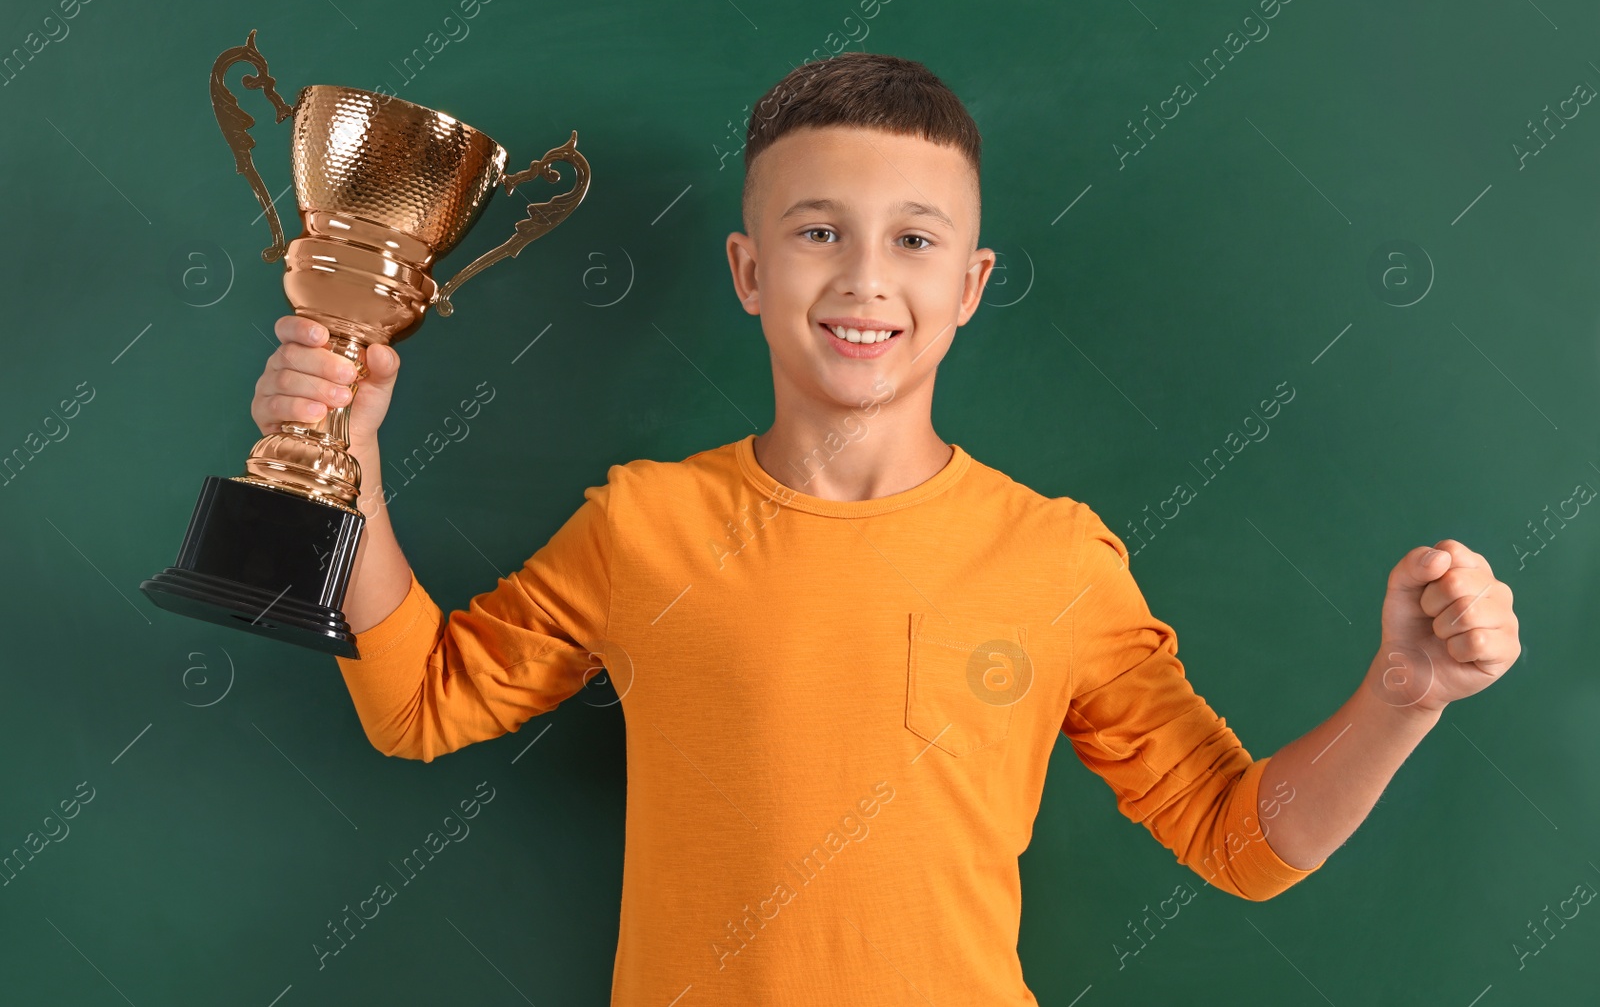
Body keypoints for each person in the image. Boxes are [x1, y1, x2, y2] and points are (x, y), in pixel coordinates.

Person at [251, 53, 1521, 1005]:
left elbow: (1240, 839)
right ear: (751, 273)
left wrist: (1403, 693)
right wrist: (347, 456)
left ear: (965, 286)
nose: (864, 278)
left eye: (914, 239)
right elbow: (418, 701)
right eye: (819, 233)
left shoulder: (1058, 561)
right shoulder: (646, 523)